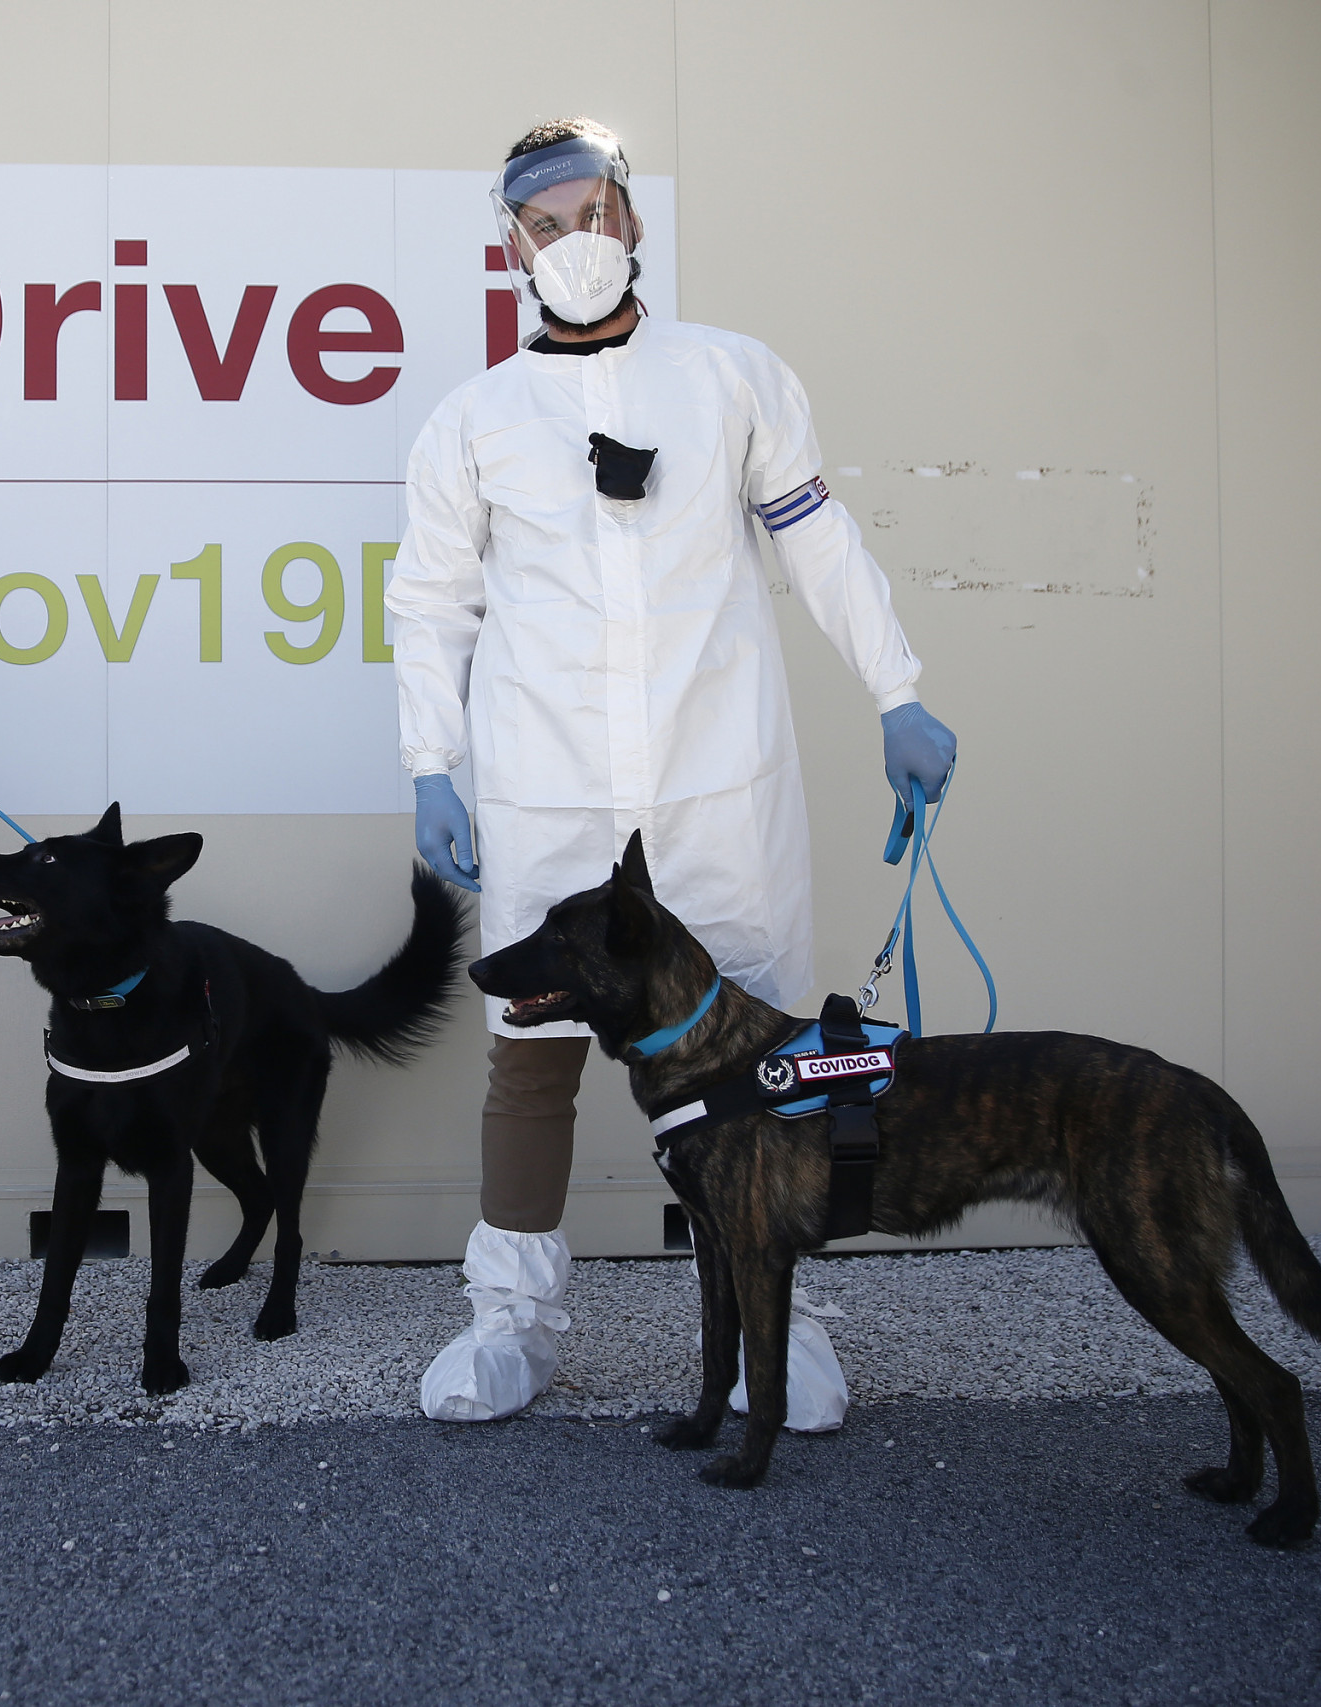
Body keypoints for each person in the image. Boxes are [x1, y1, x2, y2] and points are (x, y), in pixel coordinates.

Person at [387, 120, 958, 1423]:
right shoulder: (474, 419)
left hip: (716, 777)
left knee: (754, 1043)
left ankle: (778, 1322)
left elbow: (819, 543)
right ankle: (511, 1322)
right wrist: (431, 762)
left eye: (593, 211)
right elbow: (429, 605)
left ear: (634, 221)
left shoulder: (731, 376)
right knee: (532, 1046)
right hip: (550, 781)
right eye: (545, 223)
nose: (573, 239)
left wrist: (898, 691)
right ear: (511, 245)